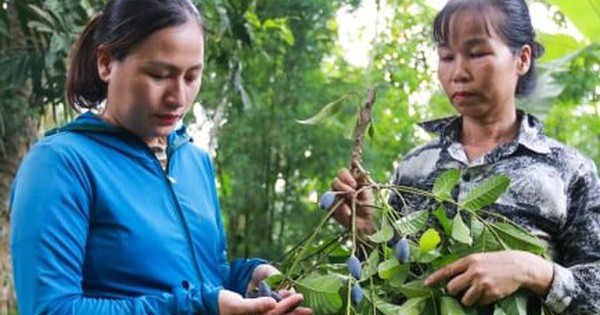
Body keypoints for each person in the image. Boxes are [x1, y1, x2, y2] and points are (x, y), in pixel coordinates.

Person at [9, 1, 312, 314]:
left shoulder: (195, 162)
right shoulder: (60, 164)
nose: (178, 98)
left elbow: (206, 278)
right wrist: (201, 308)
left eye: (192, 77)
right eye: (158, 75)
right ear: (105, 63)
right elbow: (51, 309)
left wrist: (250, 278)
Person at [331, 0, 600, 314]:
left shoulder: (567, 170)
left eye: (476, 53)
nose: (457, 72)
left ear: (522, 58)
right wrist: (366, 230)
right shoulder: (415, 167)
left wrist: (531, 270)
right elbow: (391, 283)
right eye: (446, 56)